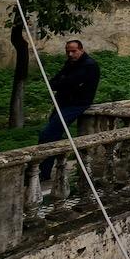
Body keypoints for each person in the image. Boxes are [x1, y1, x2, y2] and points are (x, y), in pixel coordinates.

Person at [38, 40, 101, 178]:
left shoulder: (89, 65)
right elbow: (56, 80)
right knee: (50, 134)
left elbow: (69, 82)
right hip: (64, 102)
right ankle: (44, 170)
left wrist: (59, 84)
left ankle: (42, 172)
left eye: (73, 51)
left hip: (77, 103)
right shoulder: (71, 63)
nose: (70, 54)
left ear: (81, 50)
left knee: (49, 133)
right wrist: (57, 83)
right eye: (68, 51)